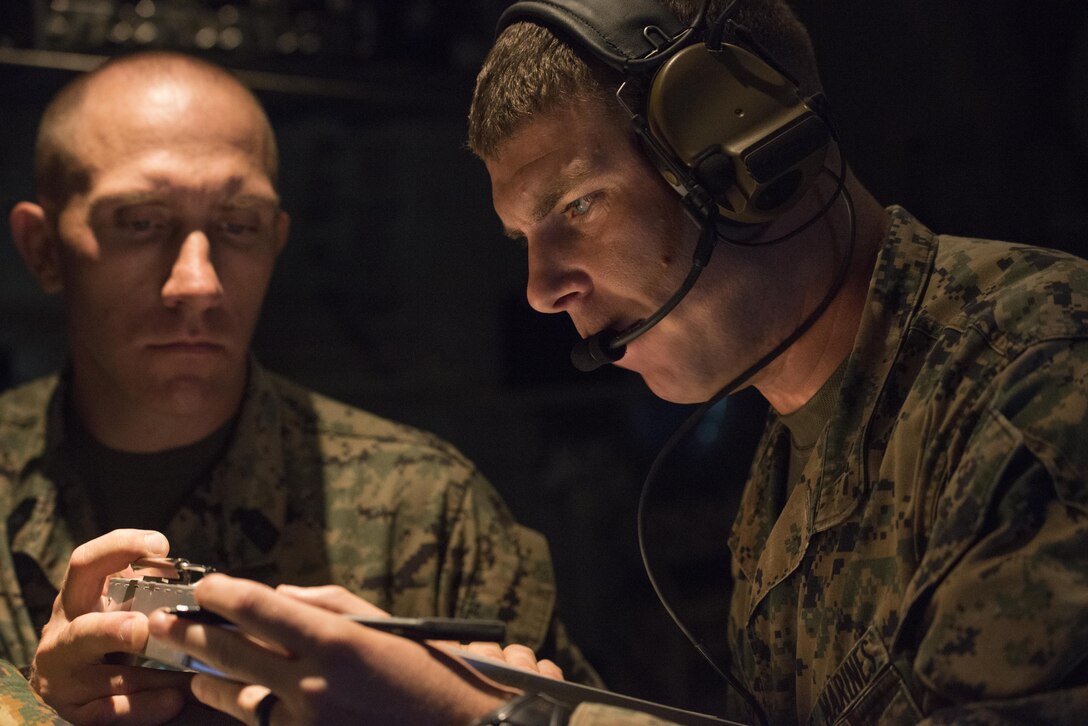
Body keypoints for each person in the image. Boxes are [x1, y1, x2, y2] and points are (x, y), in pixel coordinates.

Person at [128, 0, 1088, 724]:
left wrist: (484, 719)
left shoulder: (1039, 384)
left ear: (744, 148)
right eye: (522, 240)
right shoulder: (795, 457)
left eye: (576, 206)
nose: (542, 289)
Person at [0, 50, 598, 724]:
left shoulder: (427, 509)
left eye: (238, 226)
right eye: (140, 222)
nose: (198, 283)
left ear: (275, 240)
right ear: (43, 248)